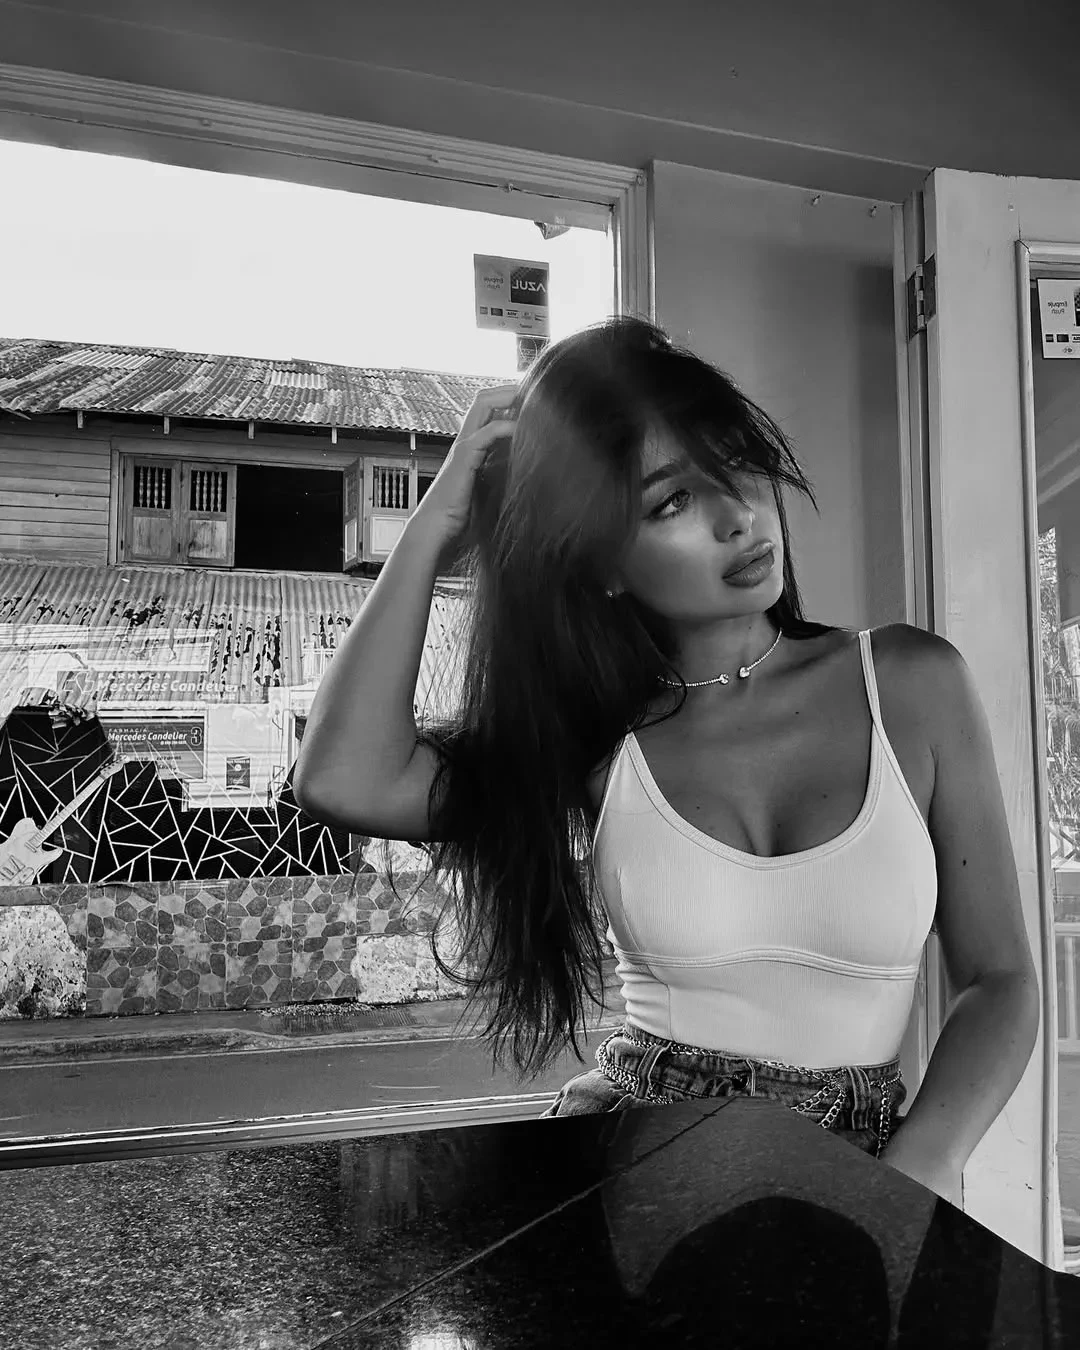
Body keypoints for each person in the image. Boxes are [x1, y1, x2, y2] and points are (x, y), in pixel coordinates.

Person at [294, 316, 1040, 1209]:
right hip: (632, 1167)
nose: (739, 514)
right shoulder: (596, 741)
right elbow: (342, 778)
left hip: (867, 1170)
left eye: (737, 461)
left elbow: (1000, 980)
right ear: (603, 564)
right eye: (672, 502)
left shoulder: (913, 683)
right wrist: (435, 523)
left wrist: (920, 1167)